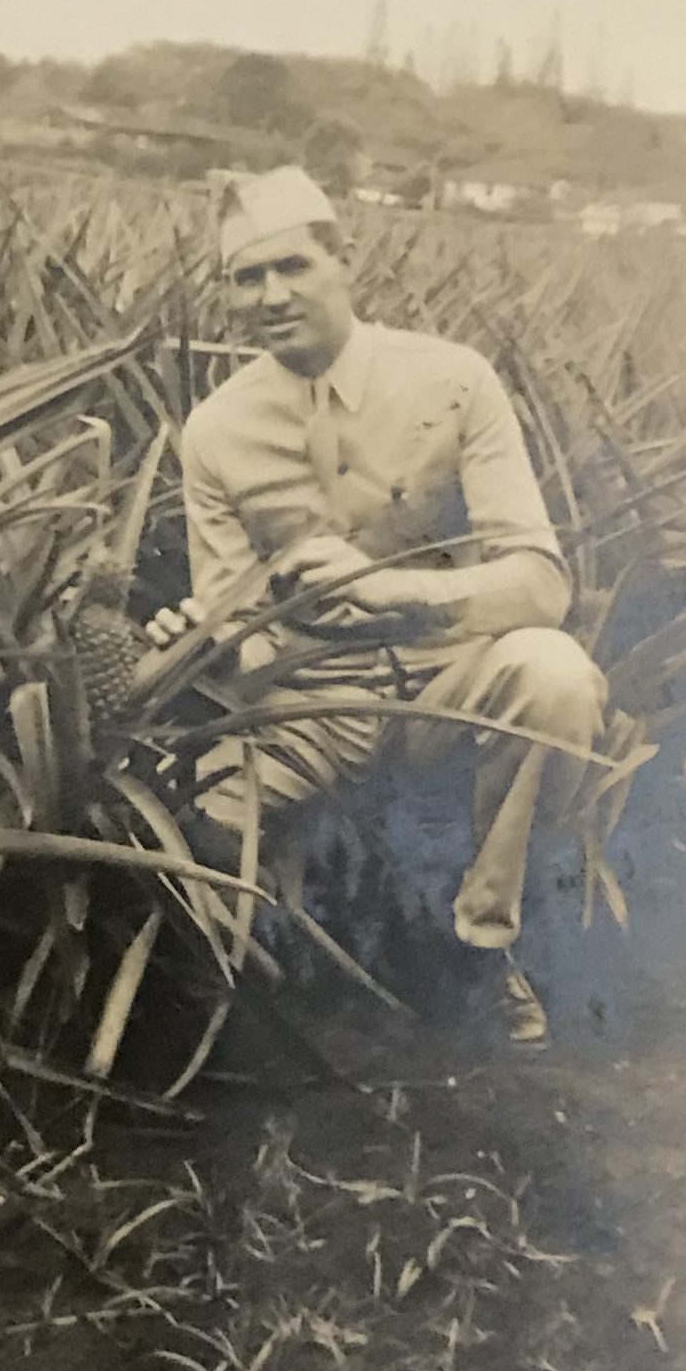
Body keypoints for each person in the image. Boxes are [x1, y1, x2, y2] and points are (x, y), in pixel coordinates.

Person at [149, 166, 607, 1046]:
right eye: (246, 278)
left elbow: (542, 582)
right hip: (307, 701)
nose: (271, 295)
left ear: (341, 261)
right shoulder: (216, 432)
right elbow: (235, 629)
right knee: (190, 834)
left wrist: (394, 592)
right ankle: (273, 967)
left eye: (292, 267)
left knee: (555, 678)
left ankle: (479, 945)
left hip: (447, 673)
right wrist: (194, 645)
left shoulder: (453, 381)